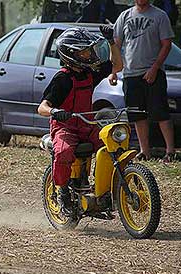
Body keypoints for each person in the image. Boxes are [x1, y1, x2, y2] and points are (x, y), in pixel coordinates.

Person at [37, 27, 121, 215]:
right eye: (85, 51)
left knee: (111, 146)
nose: (90, 54)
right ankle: (62, 192)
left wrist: (112, 42)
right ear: (71, 54)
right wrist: (55, 111)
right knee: (65, 152)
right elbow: (42, 107)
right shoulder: (63, 79)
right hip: (65, 127)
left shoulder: (89, 72)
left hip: (87, 124)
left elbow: (117, 65)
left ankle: (103, 190)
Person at [109, 0, 175, 162]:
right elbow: (116, 45)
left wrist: (155, 68)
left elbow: (167, 45)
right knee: (137, 115)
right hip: (131, 74)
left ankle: (170, 151)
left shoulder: (160, 15)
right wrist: (114, 71)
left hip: (153, 72)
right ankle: (145, 151)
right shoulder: (124, 16)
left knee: (160, 113)